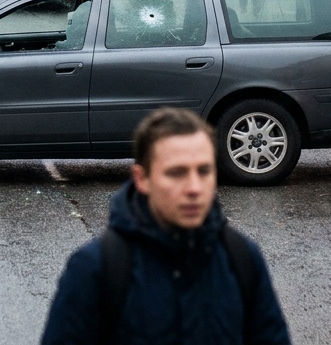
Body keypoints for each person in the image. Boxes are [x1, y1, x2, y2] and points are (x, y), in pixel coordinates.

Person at [40, 108, 292, 345]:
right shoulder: (96, 268)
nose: (194, 188)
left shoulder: (242, 258)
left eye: (204, 171)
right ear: (142, 179)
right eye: (176, 173)